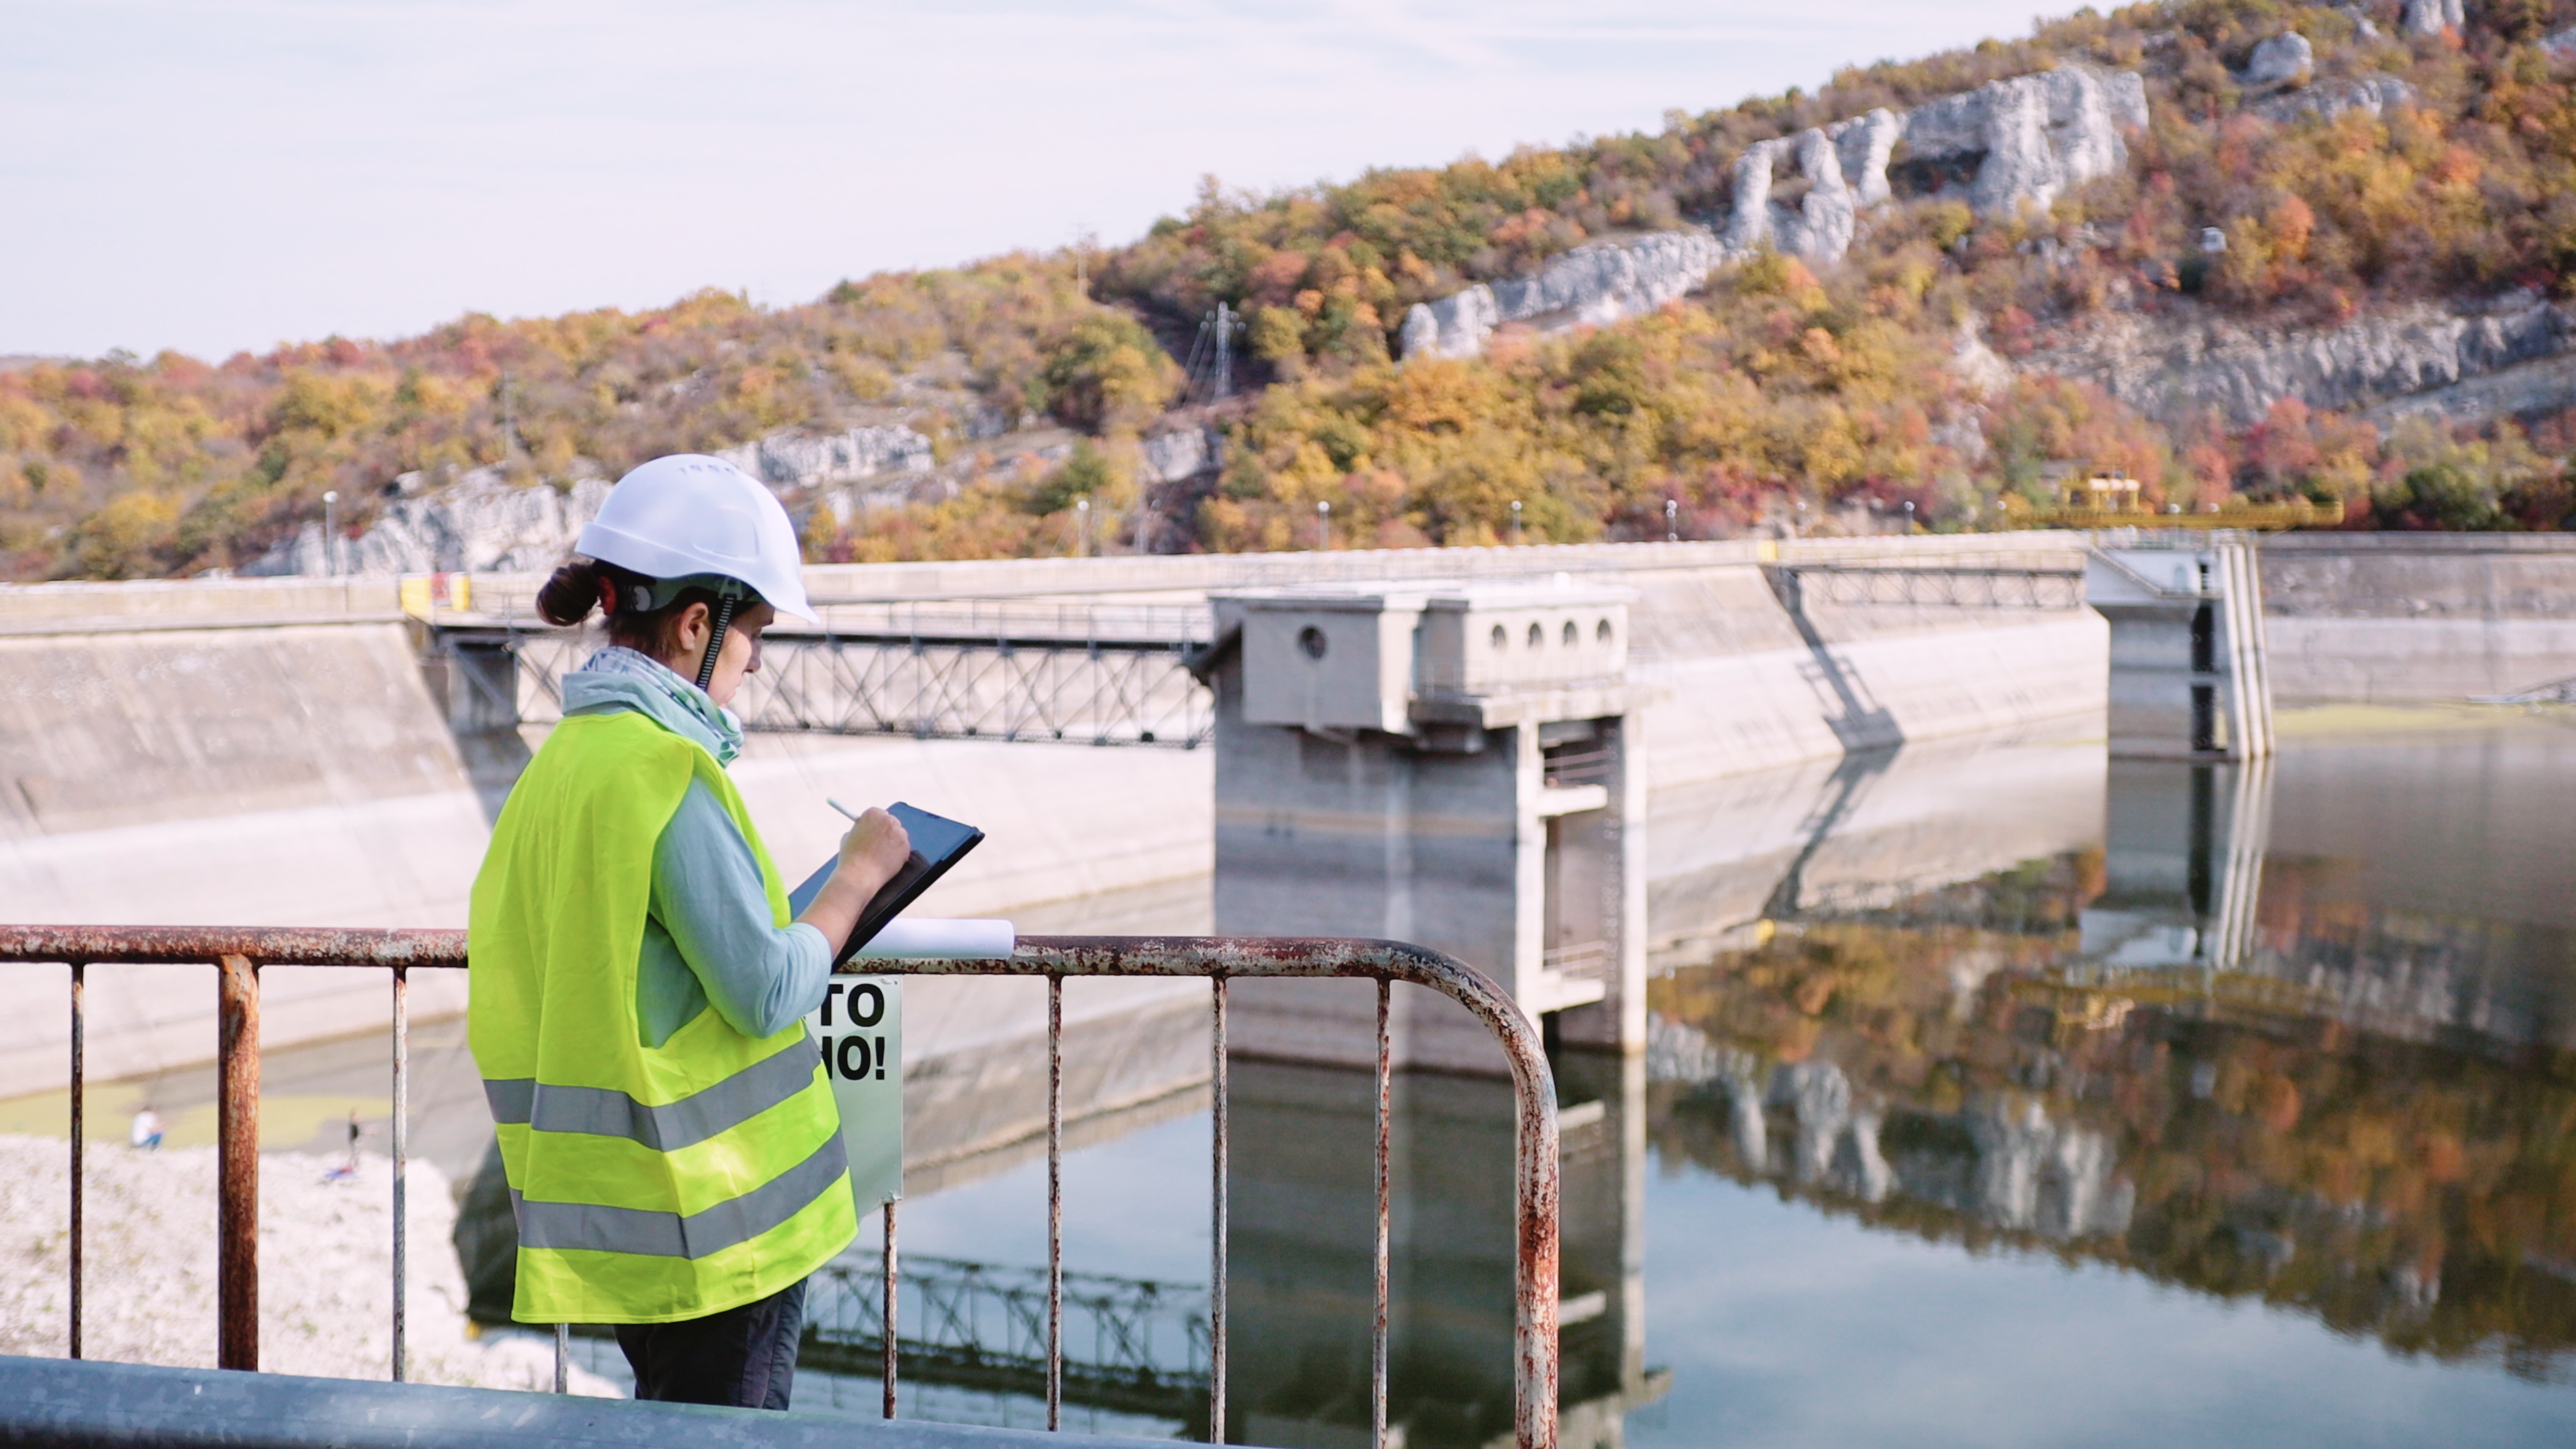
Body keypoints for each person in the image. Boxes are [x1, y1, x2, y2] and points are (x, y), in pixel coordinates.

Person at [467, 454, 910, 1411]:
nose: (757, 660)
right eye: (754, 633)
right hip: (722, 1221)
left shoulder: (563, 766)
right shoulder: (666, 771)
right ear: (697, 623)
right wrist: (856, 880)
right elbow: (764, 989)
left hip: (626, 1216)